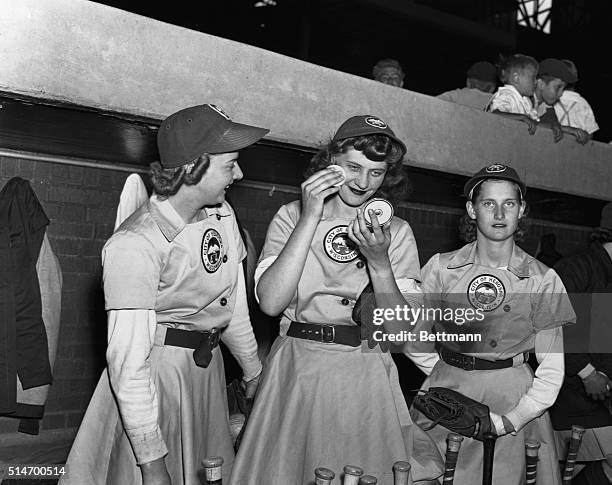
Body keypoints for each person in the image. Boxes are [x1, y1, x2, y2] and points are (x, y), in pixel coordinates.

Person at [60, 104, 268, 485]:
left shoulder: (222, 216)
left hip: (205, 374)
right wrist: (152, 461)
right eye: (230, 164)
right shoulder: (134, 244)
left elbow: (231, 306)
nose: (239, 174)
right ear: (194, 166)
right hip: (155, 383)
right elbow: (127, 363)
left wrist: (253, 371)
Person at [229, 115, 443, 485]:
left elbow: (396, 331)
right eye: (353, 167)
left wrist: (379, 263)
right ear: (331, 162)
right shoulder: (291, 215)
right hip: (297, 371)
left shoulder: (398, 231)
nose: (363, 183)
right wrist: (310, 216)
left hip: (365, 374)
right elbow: (270, 302)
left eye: (376, 173)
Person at [410, 164, 575, 485]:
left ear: (521, 209)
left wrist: (510, 421)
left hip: (513, 401)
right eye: (488, 203)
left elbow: (553, 369)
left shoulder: (543, 279)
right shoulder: (441, 268)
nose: (499, 213)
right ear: (472, 209)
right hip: (447, 399)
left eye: (509, 203)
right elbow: (414, 341)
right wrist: (446, 373)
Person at [549, 202, 612, 485]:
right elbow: (555, 325)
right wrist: (587, 372)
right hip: (570, 388)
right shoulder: (578, 267)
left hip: (596, 388)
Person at [534, 58, 589, 144]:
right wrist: (567, 129)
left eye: (563, 88)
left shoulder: (548, 108)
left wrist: (572, 131)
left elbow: (552, 126)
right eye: (558, 87)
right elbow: (526, 123)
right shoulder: (524, 100)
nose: (560, 94)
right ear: (541, 84)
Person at [554, 59, 599, 139]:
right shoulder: (583, 103)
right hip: (576, 148)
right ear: (576, 79)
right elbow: (590, 133)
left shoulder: (550, 99)